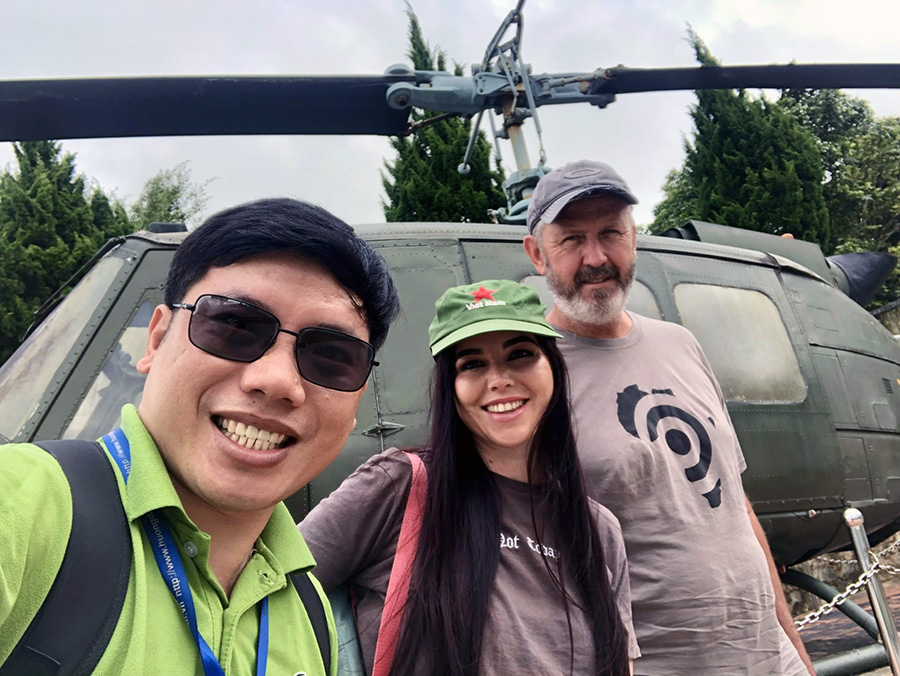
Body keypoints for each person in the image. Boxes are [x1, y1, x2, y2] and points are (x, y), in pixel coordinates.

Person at [0, 198, 400, 675]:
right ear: (156, 340)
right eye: (234, 324)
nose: (277, 381)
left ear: (355, 407)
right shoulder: (22, 505)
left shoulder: (308, 608)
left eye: (333, 356)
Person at [522, 160, 816, 676]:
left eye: (611, 233)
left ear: (634, 238)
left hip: (769, 657)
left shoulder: (681, 343)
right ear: (537, 253)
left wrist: (794, 647)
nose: (596, 258)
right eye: (571, 239)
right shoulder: (530, 376)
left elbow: (734, 505)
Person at [300, 279, 640, 676]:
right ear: (451, 386)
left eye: (520, 354)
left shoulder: (599, 529)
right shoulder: (399, 486)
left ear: (553, 367)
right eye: (473, 364)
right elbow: (266, 593)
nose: (499, 380)